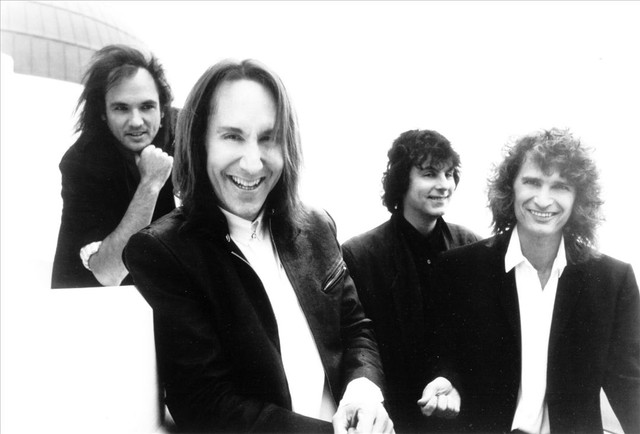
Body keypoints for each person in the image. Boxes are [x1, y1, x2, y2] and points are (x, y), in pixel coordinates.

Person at [122, 59, 393, 433]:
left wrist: (363, 395)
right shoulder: (164, 253)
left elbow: (355, 329)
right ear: (199, 142)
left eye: (268, 138)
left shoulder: (317, 225)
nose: (252, 163)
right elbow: (205, 404)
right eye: (233, 136)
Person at [421, 128, 640, 432]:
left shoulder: (613, 281)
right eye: (533, 182)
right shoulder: (459, 270)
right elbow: (443, 355)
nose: (543, 200)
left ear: (578, 198)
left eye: (560, 186)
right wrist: (447, 380)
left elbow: (629, 383)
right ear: (510, 188)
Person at [341, 129, 480, 432]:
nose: (444, 184)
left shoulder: (471, 245)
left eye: (449, 174)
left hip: (458, 417)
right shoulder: (360, 254)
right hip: (393, 420)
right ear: (402, 180)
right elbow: (359, 346)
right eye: (429, 174)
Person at [51, 44, 177, 289]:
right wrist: (150, 185)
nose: (136, 121)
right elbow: (108, 273)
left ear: (163, 111)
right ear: (103, 113)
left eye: (147, 106)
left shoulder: (181, 137)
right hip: (91, 302)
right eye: (121, 108)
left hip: (157, 294)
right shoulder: (82, 162)